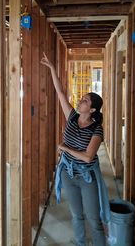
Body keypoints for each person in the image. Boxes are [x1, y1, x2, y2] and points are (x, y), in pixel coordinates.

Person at [41, 52, 110, 246]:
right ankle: (80, 243)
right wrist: (52, 68)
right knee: (76, 214)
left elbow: (88, 157)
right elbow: (60, 92)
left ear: (93, 110)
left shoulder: (97, 129)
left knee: (93, 218)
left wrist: (65, 148)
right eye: (82, 98)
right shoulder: (71, 116)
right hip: (68, 174)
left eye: (86, 100)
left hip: (86, 176)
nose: (81, 100)